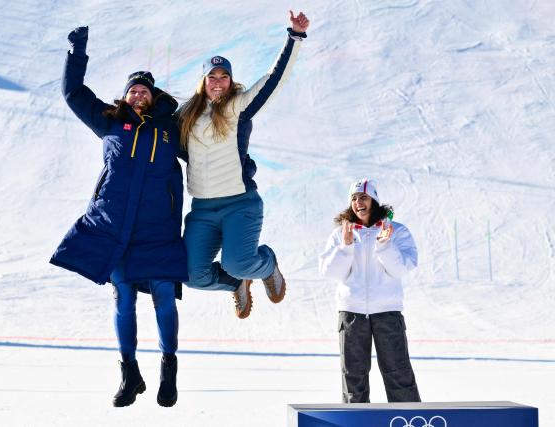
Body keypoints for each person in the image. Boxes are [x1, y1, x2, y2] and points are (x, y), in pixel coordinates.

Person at [49, 26, 188, 408]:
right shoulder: (109, 121)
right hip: (114, 228)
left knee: (163, 297)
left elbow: (209, 154)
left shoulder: (171, 129)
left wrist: (244, 168)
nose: (138, 93)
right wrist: (77, 51)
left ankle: (168, 369)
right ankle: (129, 372)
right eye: (133, 89)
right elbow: (74, 93)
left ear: (155, 96)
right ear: (125, 96)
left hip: (158, 228)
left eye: (145, 89)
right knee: (123, 299)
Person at [177, 11, 310, 319]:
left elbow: (274, 80)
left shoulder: (239, 107)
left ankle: (266, 263)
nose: (218, 82)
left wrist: (294, 37)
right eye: (212, 77)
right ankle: (237, 283)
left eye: (224, 77)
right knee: (190, 274)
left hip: (240, 204)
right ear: (203, 81)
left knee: (237, 261)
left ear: (231, 81)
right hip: (202, 210)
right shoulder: (186, 117)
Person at [318, 179, 421, 403]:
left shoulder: (395, 231)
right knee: (353, 377)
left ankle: (409, 420)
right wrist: (345, 246)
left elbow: (401, 268)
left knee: (398, 374)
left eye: (363, 197)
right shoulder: (340, 234)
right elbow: (330, 272)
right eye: (354, 199)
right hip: (351, 313)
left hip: (387, 312)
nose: (358, 203)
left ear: (374, 201)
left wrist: (385, 246)